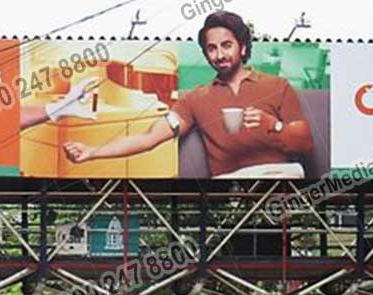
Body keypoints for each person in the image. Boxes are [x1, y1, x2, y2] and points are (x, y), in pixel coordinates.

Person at [63, 11, 314, 179]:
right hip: (230, 189)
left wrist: (273, 125)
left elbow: (305, 144)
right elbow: (148, 139)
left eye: (227, 45)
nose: (219, 54)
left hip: (280, 181)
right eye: (212, 49)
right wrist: (92, 151)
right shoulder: (196, 98)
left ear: (243, 46)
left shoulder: (277, 85)